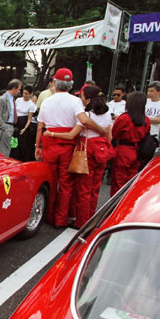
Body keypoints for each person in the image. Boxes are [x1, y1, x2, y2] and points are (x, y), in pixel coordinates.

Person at [34, 67, 106, 228]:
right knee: (66, 185)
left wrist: (37, 146)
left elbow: (40, 127)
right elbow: (85, 121)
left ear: (55, 83)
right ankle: (61, 219)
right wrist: (101, 131)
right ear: (71, 84)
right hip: (68, 145)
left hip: (50, 144)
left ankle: (49, 215)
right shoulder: (75, 101)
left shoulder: (46, 101)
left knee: (51, 181)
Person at [44, 85, 113, 228]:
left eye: (81, 97)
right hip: (102, 150)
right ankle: (91, 218)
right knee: (95, 189)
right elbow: (109, 137)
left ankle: (82, 221)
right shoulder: (107, 114)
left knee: (83, 190)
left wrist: (50, 134)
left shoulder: (86, 116)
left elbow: (71, 135)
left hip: (87, 151)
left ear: (88, 100)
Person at [110, 92, 151, 195]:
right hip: (137, 152)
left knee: (118, 182)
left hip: (123, 150)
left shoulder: (124, 118)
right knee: (131, 181)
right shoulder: (145, 120)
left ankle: (116, 206)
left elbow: (114, 133)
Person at [0, 79, 22, 156]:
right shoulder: (3, 99)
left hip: (9, 126)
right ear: (14, 88)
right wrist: (4, 127)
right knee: (4, 151)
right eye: (19, 89)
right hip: (6, 126)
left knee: (4, 150)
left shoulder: (12, 99)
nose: (19, 91)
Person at [12, 85, 38, 161]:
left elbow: (29, 119)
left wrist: (25, 128)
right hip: (16, 123)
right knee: (14, 144)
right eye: (23, 93)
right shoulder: (18, 100)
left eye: (26, 94)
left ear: (30, 94)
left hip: (24, 125)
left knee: (23, 145)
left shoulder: (31, 105)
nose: (24, 95)